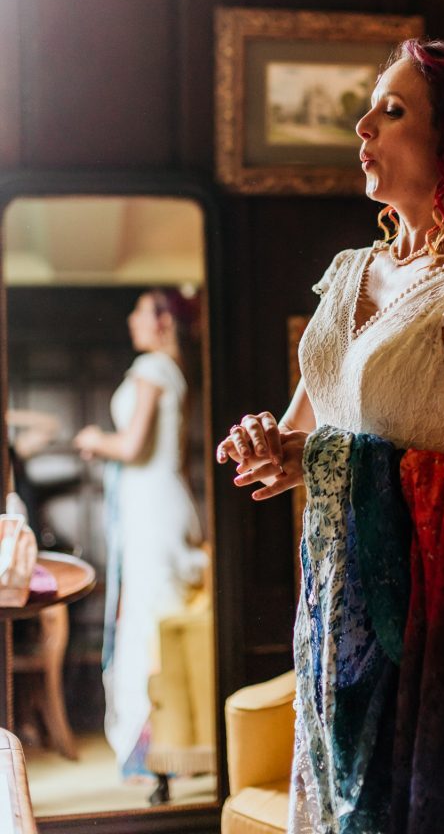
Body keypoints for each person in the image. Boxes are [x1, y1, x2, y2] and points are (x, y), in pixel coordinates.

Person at [217, 38, 444, 833]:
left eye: (393, 110)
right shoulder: (348, 272)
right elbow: (311, 429)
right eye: (371, 108)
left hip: (427, 631)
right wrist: (270, 442)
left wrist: (327, 460)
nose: (363, 124)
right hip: (331, 612)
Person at [74, 288, 206, 783]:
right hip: (159, 506)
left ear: (163, 321)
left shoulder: (151, 369)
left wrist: (94, 441)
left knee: (145, 626)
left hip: (153, 512)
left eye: (139, 310)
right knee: (153, 624)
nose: (131, 318)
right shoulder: (174, 371)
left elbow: (132, 446)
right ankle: (164, 743)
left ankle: (151, 752)